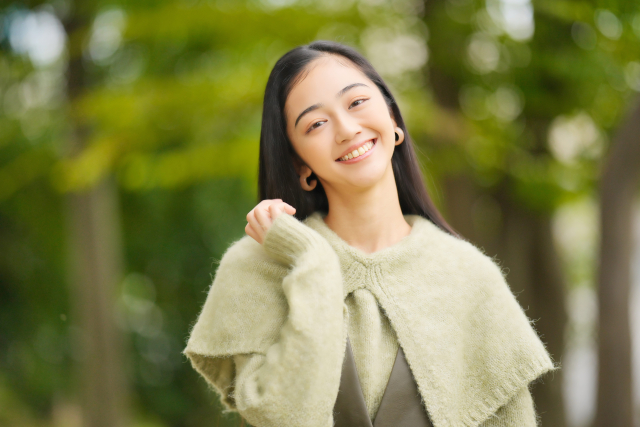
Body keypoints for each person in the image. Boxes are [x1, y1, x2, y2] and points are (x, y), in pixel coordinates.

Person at [183, 40, 556, 427]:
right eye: (316, 124)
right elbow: (284, 417)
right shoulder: (259, 267)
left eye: (357, 102)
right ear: (299, 163)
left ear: (394, 119)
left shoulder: (470, 277)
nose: (346, 129)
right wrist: (313, 261)